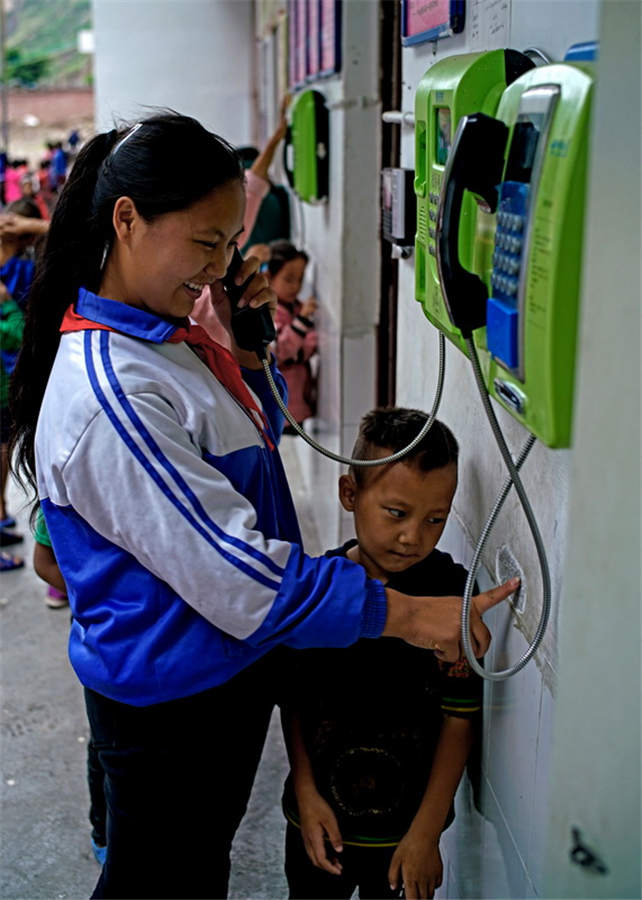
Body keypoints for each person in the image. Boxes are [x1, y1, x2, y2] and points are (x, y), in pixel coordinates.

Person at [8, 112, 515, 899]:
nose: (218, 267)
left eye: (228, 245)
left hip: (215, 676)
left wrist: (245, 348)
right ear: (127, 219)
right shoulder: (116, 389)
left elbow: (247, 448)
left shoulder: (167, 336)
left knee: (190, 871)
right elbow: (236, 573)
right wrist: (416, 616)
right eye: (205, 243)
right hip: (173, 707)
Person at [282, 410, 483, 900]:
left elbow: (460, 719)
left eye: (435, 519)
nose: (414, 536)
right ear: (350, 493)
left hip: (404, 837)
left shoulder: (450, 596)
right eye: (397, 513)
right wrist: (306, 794)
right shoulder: (319, 591)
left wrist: (427, 833)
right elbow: (295, 702)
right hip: (318, 823)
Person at [32, 509, 108, 858]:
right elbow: (44, 563)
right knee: (106, 743)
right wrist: (104, 600)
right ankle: (103, 831)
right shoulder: (66, 486)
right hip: (106, 643)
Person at [268, 240, 318, 429]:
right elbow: (279, 353)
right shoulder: (269, 312)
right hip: (283, 404)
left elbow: (312, 341)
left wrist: (298, 351)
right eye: (288, 279)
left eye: (300, 279)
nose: (295, 286)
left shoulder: (296, 307)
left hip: (298, 401)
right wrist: (302, 323)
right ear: (269, 277)